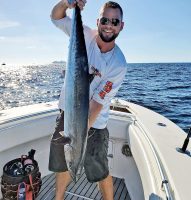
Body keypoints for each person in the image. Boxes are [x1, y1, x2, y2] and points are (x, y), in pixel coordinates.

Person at [48, 0, 127, 199]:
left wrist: (78, 136)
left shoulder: (118, 64)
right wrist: (68, 3)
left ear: (121, 26)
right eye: (105, 20)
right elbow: (55, 16)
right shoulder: (83, 33)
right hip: (69, 113)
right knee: (62, 165)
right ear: (98, 21)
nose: (109, 25)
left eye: (115, 21)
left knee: (99, 168)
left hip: (96, 120)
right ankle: (58, 198)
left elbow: (96, 105)